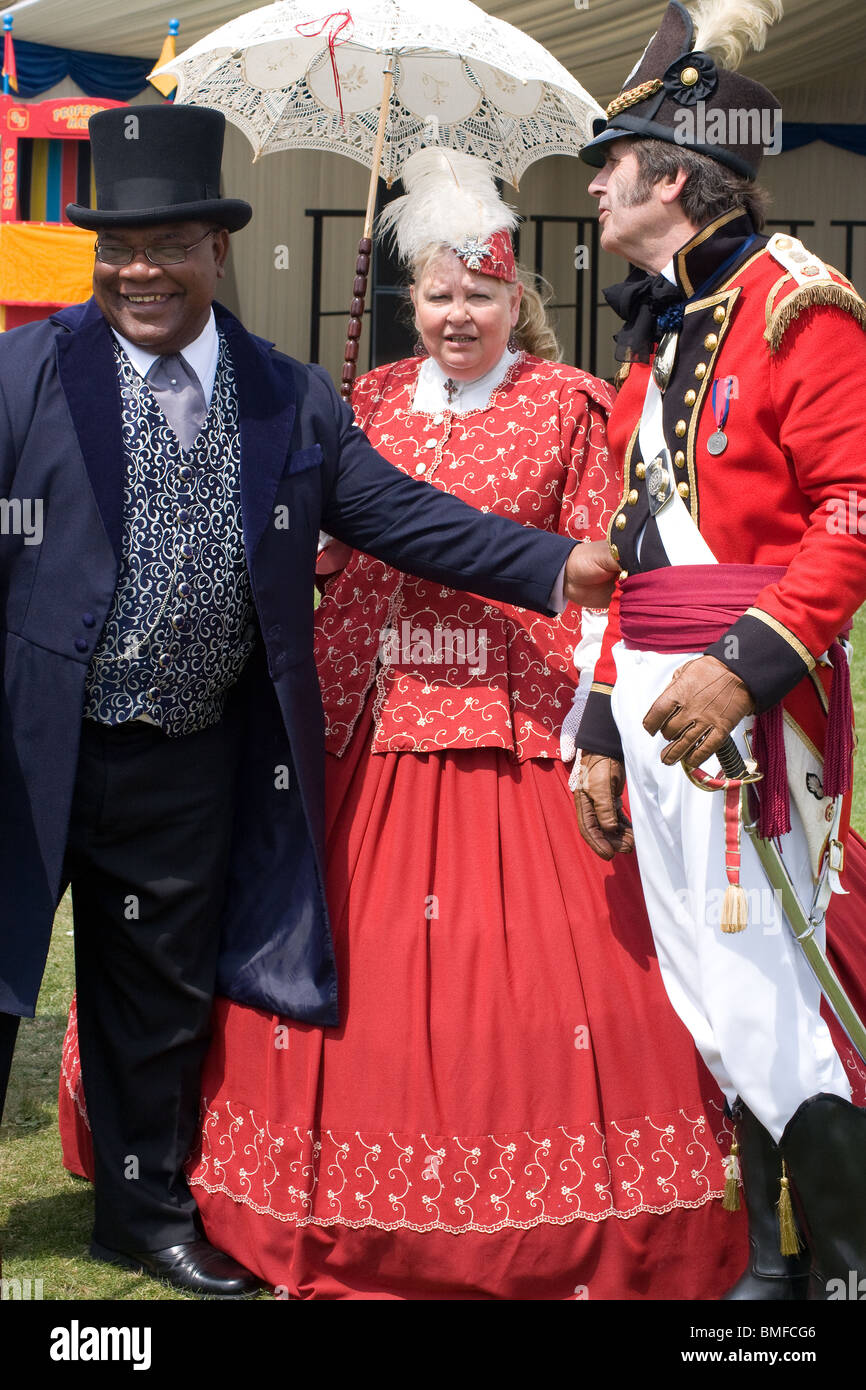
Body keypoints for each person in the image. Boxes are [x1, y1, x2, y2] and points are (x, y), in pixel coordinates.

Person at [95, 148, 753, 1301]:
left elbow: (561, 541)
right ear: (413, 300)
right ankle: (189, 1181)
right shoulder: (353, 401)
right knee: (310, 940)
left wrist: (574, 582)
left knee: (535, 985)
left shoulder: (572, 406)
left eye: (481, 294)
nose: (458, 314)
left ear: (517, 301)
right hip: (356, 714)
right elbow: (333, 524)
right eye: (439, 294)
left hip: (511, 714)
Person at [0, 104, 620, 1298]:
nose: (141, 268)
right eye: (118, 246)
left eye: (169, 242)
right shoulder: (22, 373)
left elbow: (395, 516)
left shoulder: (283, 394)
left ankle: (140, 1214)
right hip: (31, 746)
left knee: (157, 998)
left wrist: (553, 564)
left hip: (187, 753)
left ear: (216, 250)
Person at [572, 0, 866, 1300]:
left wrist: (744, 662)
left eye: (609, 163)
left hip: (756, 698)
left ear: (673, 180)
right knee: (708, 972)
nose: (589, 185)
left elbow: (851, 517)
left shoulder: (800, 307)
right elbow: (628, 543)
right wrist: (594, 725)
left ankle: (843, 1265)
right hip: (650, 693)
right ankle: (770, 1253)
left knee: (775, 973)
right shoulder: (661, 330)